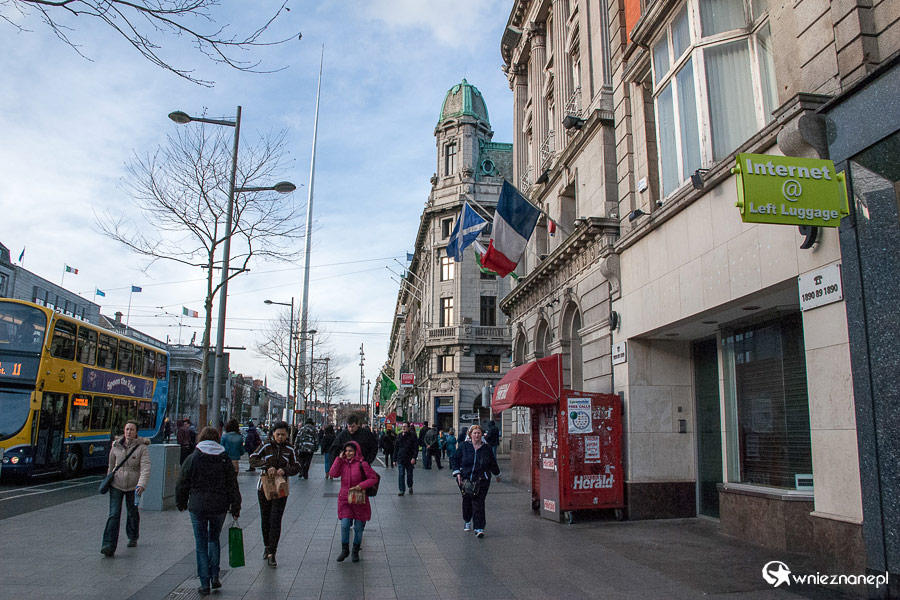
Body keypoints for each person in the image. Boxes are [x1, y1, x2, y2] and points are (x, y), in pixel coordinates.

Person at [176, 426, 241, 596]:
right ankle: (215, 576)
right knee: (214, 539)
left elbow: (182, 482)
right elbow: (232, 485)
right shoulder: (225, 459)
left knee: (201, 544)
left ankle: (204, 583)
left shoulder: (193, 458)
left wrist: (181, 503)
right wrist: (236, 507)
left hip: (197, 506)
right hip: (220, 506)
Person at [249, 421, 300, 567]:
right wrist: (266, 466)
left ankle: (272, 552)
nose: (280, 437)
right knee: (265, 518)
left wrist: (286, 470)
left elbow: (297, 466)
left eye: (283, 435)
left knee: (276, 519)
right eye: (278, 434)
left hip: (281, 488)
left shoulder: (290, 449)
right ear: (273, 434)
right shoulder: (266, 446)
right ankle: (267, 545)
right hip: (264, 487)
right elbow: (253, 458)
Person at [101, 421, 150, 556]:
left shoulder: (142, 448)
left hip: (133, 486)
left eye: (132, 430)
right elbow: (111, 466)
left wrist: (141, 484)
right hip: (116, 484)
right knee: (114, 514)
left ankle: (133, 536)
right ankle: (108, 545)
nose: (129, 432)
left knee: (132, 512)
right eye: (127, 429)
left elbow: (145, 468)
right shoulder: (115, 446)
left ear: (136, 432)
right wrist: (108, 480)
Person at [329, 441, 379, 563]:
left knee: (358, 527)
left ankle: (355, 550)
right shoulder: (343, 463)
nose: (348, 453)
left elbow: (373, 478)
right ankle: (345, 549)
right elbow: (333, 474)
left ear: (356, 451)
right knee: (345, 525)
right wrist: (338, 459)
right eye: (346, 451)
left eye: (350, 451)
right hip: (345, 499)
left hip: (359, 500)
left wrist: (361, 485)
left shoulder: (363, 464)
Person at [453, 423, 501, 538]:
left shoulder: (486, 448)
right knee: (467, 500)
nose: (477, 435)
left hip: (481, 480)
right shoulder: (464, 446)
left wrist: (497, 474)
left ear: (482, 435)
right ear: (470, 435)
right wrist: (457, 472)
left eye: (479, 433)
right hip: (465, 479)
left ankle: (479, 528)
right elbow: (455, 459)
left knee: (479, 502)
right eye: (474, 433)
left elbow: (492, 462)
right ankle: (467, 520)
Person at [394, 421, 418, 496]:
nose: (403, 428)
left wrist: (414, 457)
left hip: (409, 458)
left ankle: (410, 485)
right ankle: (402, 490)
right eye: (402, 427)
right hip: (401, 458)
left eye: (405, 427)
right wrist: (394, 459)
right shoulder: (399, 436)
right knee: (401, 474)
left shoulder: (412, 436)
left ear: (408, 428)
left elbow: (415, 448)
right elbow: (396, 448)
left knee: (409, 474)